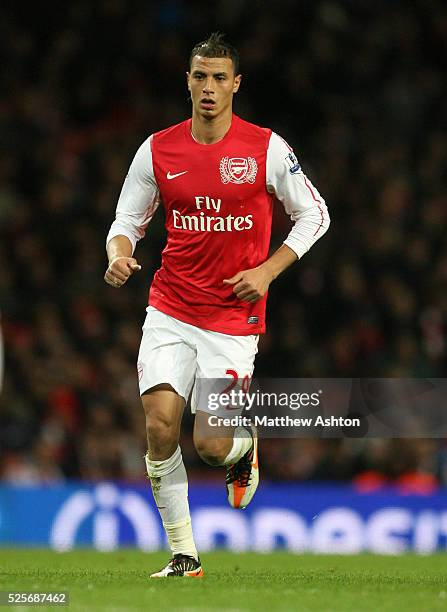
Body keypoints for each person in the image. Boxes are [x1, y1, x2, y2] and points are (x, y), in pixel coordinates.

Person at [105, 32, 330, 578]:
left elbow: (316, 214)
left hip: (232, 319)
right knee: (160, 426)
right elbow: (126, 223)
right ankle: (185, 556)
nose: (209, 87)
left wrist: (267, 271)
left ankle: (241, 448)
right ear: (188, 81)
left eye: (219, 78)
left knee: (209, 443)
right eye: (200, 76)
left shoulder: (266, 149)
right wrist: (118, 254)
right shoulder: (157, 149)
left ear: (236, 84)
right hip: (170, 307)